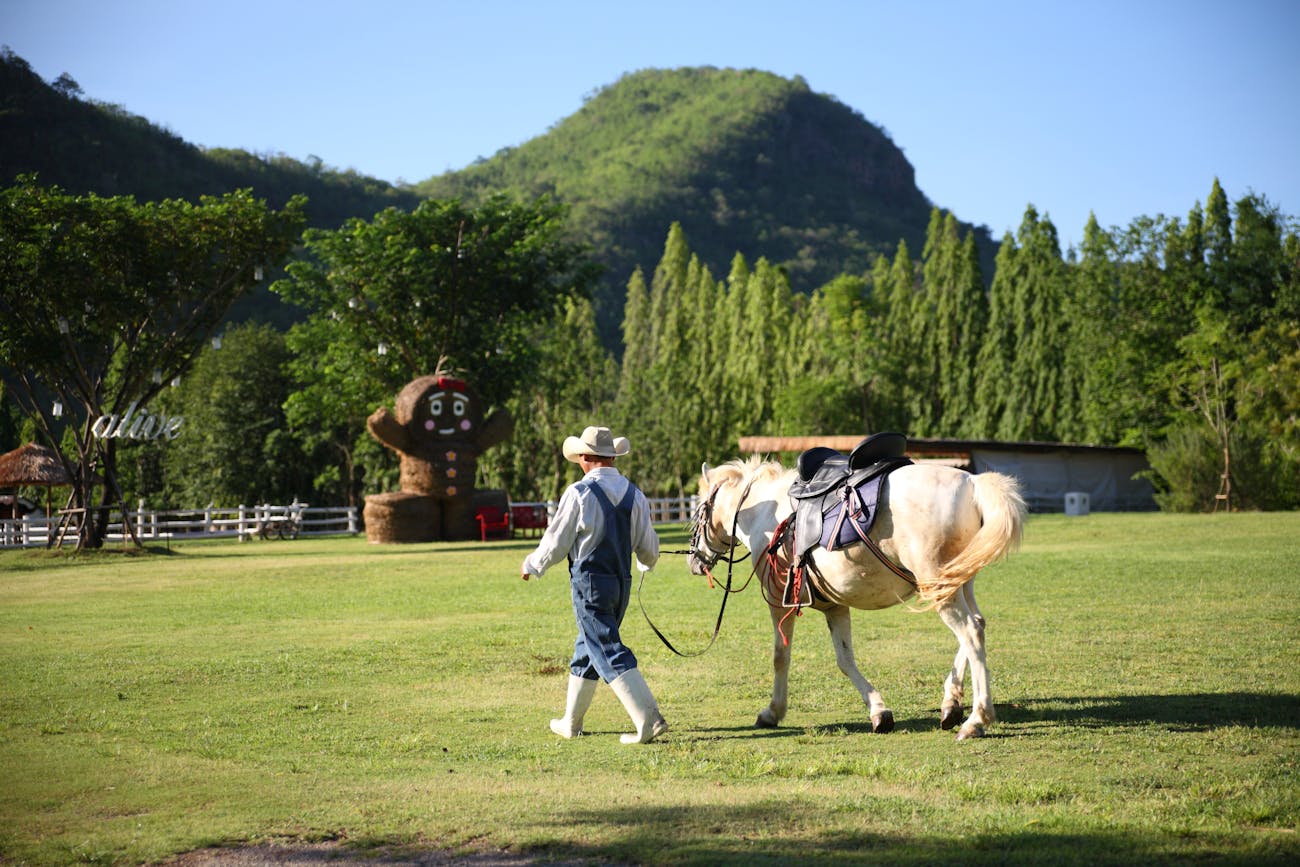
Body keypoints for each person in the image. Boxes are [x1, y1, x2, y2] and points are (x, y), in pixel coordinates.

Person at [521, 425, 667, 744]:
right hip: (621, 584)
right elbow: (649, 548)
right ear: (612, 456)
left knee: (605, 647)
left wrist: (533, 564)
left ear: (586, 457)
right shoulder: (635, 494)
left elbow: (557, 542)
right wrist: (647, 563)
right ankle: (571, 723)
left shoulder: (579, 493)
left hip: (590, 584)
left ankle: (649, 719)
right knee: (587, 649)